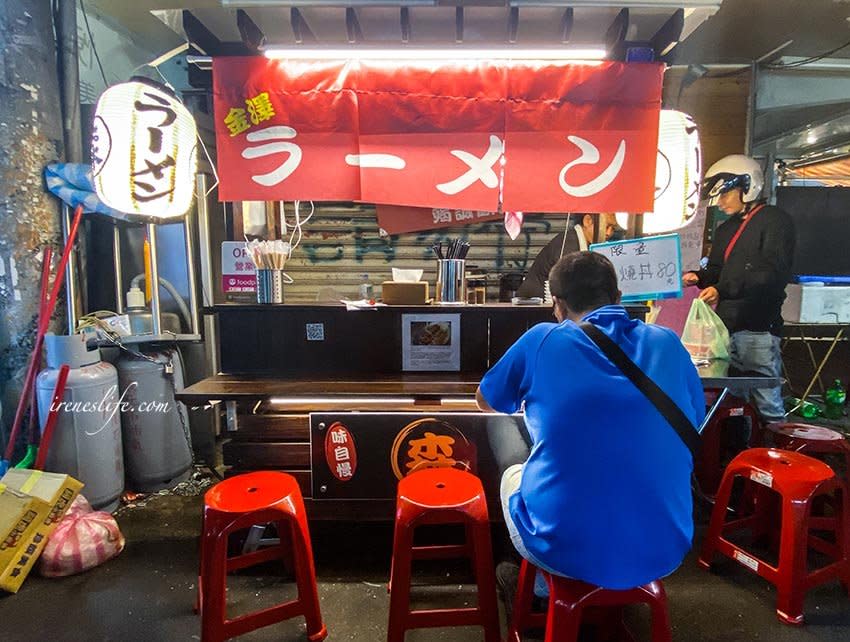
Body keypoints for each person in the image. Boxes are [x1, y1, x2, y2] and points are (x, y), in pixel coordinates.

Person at [477, 251, 705, 599]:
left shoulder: (541, 339)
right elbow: (694, 418)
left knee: (508, 447)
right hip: (666, 547)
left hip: (564, 548)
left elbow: (487, 402)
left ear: (558, 305)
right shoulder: (668, 343)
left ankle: (537, 584)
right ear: (618, 296)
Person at [683, 154, 795, 423]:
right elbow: (718, 271)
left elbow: (769, 275)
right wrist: (698, 277)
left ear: (747, 186)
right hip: (725, 330)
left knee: (766, 400)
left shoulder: (775, 221)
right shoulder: (725, 229)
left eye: (725, 194)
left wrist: (723, 289)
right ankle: (738, 453)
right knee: (732, 404)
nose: (720, 202)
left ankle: (774, 454)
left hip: (759, 329)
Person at [515, 214, 595, 299]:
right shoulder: (570, 243)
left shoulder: (578, 240)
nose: (608, 233)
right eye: (607, 226)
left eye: (611, 229)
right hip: (533, 303)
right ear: (587, 221)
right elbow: (569, 284)